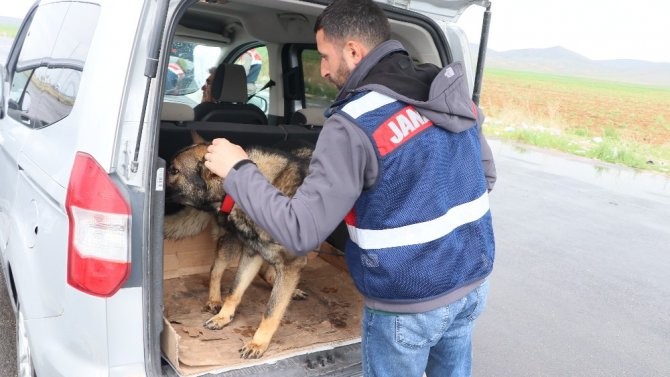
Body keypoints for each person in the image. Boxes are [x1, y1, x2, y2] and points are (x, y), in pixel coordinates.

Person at [203, 0, 496, 375]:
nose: (322, 69)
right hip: (470, 282)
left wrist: (238, 169)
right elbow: (484, 177)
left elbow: (301, 232)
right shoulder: (444, 91)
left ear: (354, 51)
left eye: (325, 56)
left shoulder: (353, 124)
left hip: (407, 303)